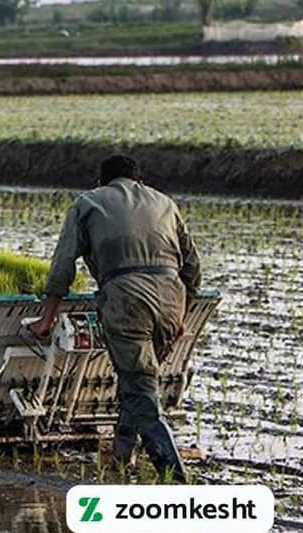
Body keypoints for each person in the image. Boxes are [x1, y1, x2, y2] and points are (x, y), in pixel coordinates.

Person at [28, 154, 201, 483]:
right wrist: (182, 317)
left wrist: (47, 318)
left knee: (141, 390)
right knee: (134, 383)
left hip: (127, 300)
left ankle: (177, 479)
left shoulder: (88, 202)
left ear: (101, 181)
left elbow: (64, 263)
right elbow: (193, 267)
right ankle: (123, 459)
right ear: (138, 180)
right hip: (171, 299)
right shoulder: (165, 203)